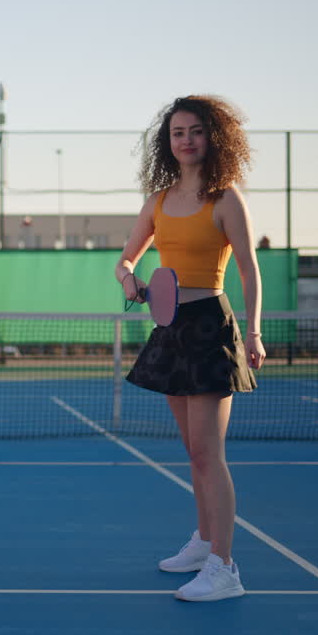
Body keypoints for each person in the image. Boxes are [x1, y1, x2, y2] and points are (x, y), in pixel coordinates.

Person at [115, 95, 265, 602]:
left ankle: (225, 569)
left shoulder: (226, 199)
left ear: (212, 137)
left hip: (211, 328)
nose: (186, 140)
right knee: (192, 451)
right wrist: (128, 276)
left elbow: (248, 270)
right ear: (168, 142)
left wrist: (256, 332)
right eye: (177, 132)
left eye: (195, 131)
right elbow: (126, 260)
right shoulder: (157, 201)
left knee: (208, 454)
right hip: (170, 327)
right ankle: (203, 544)